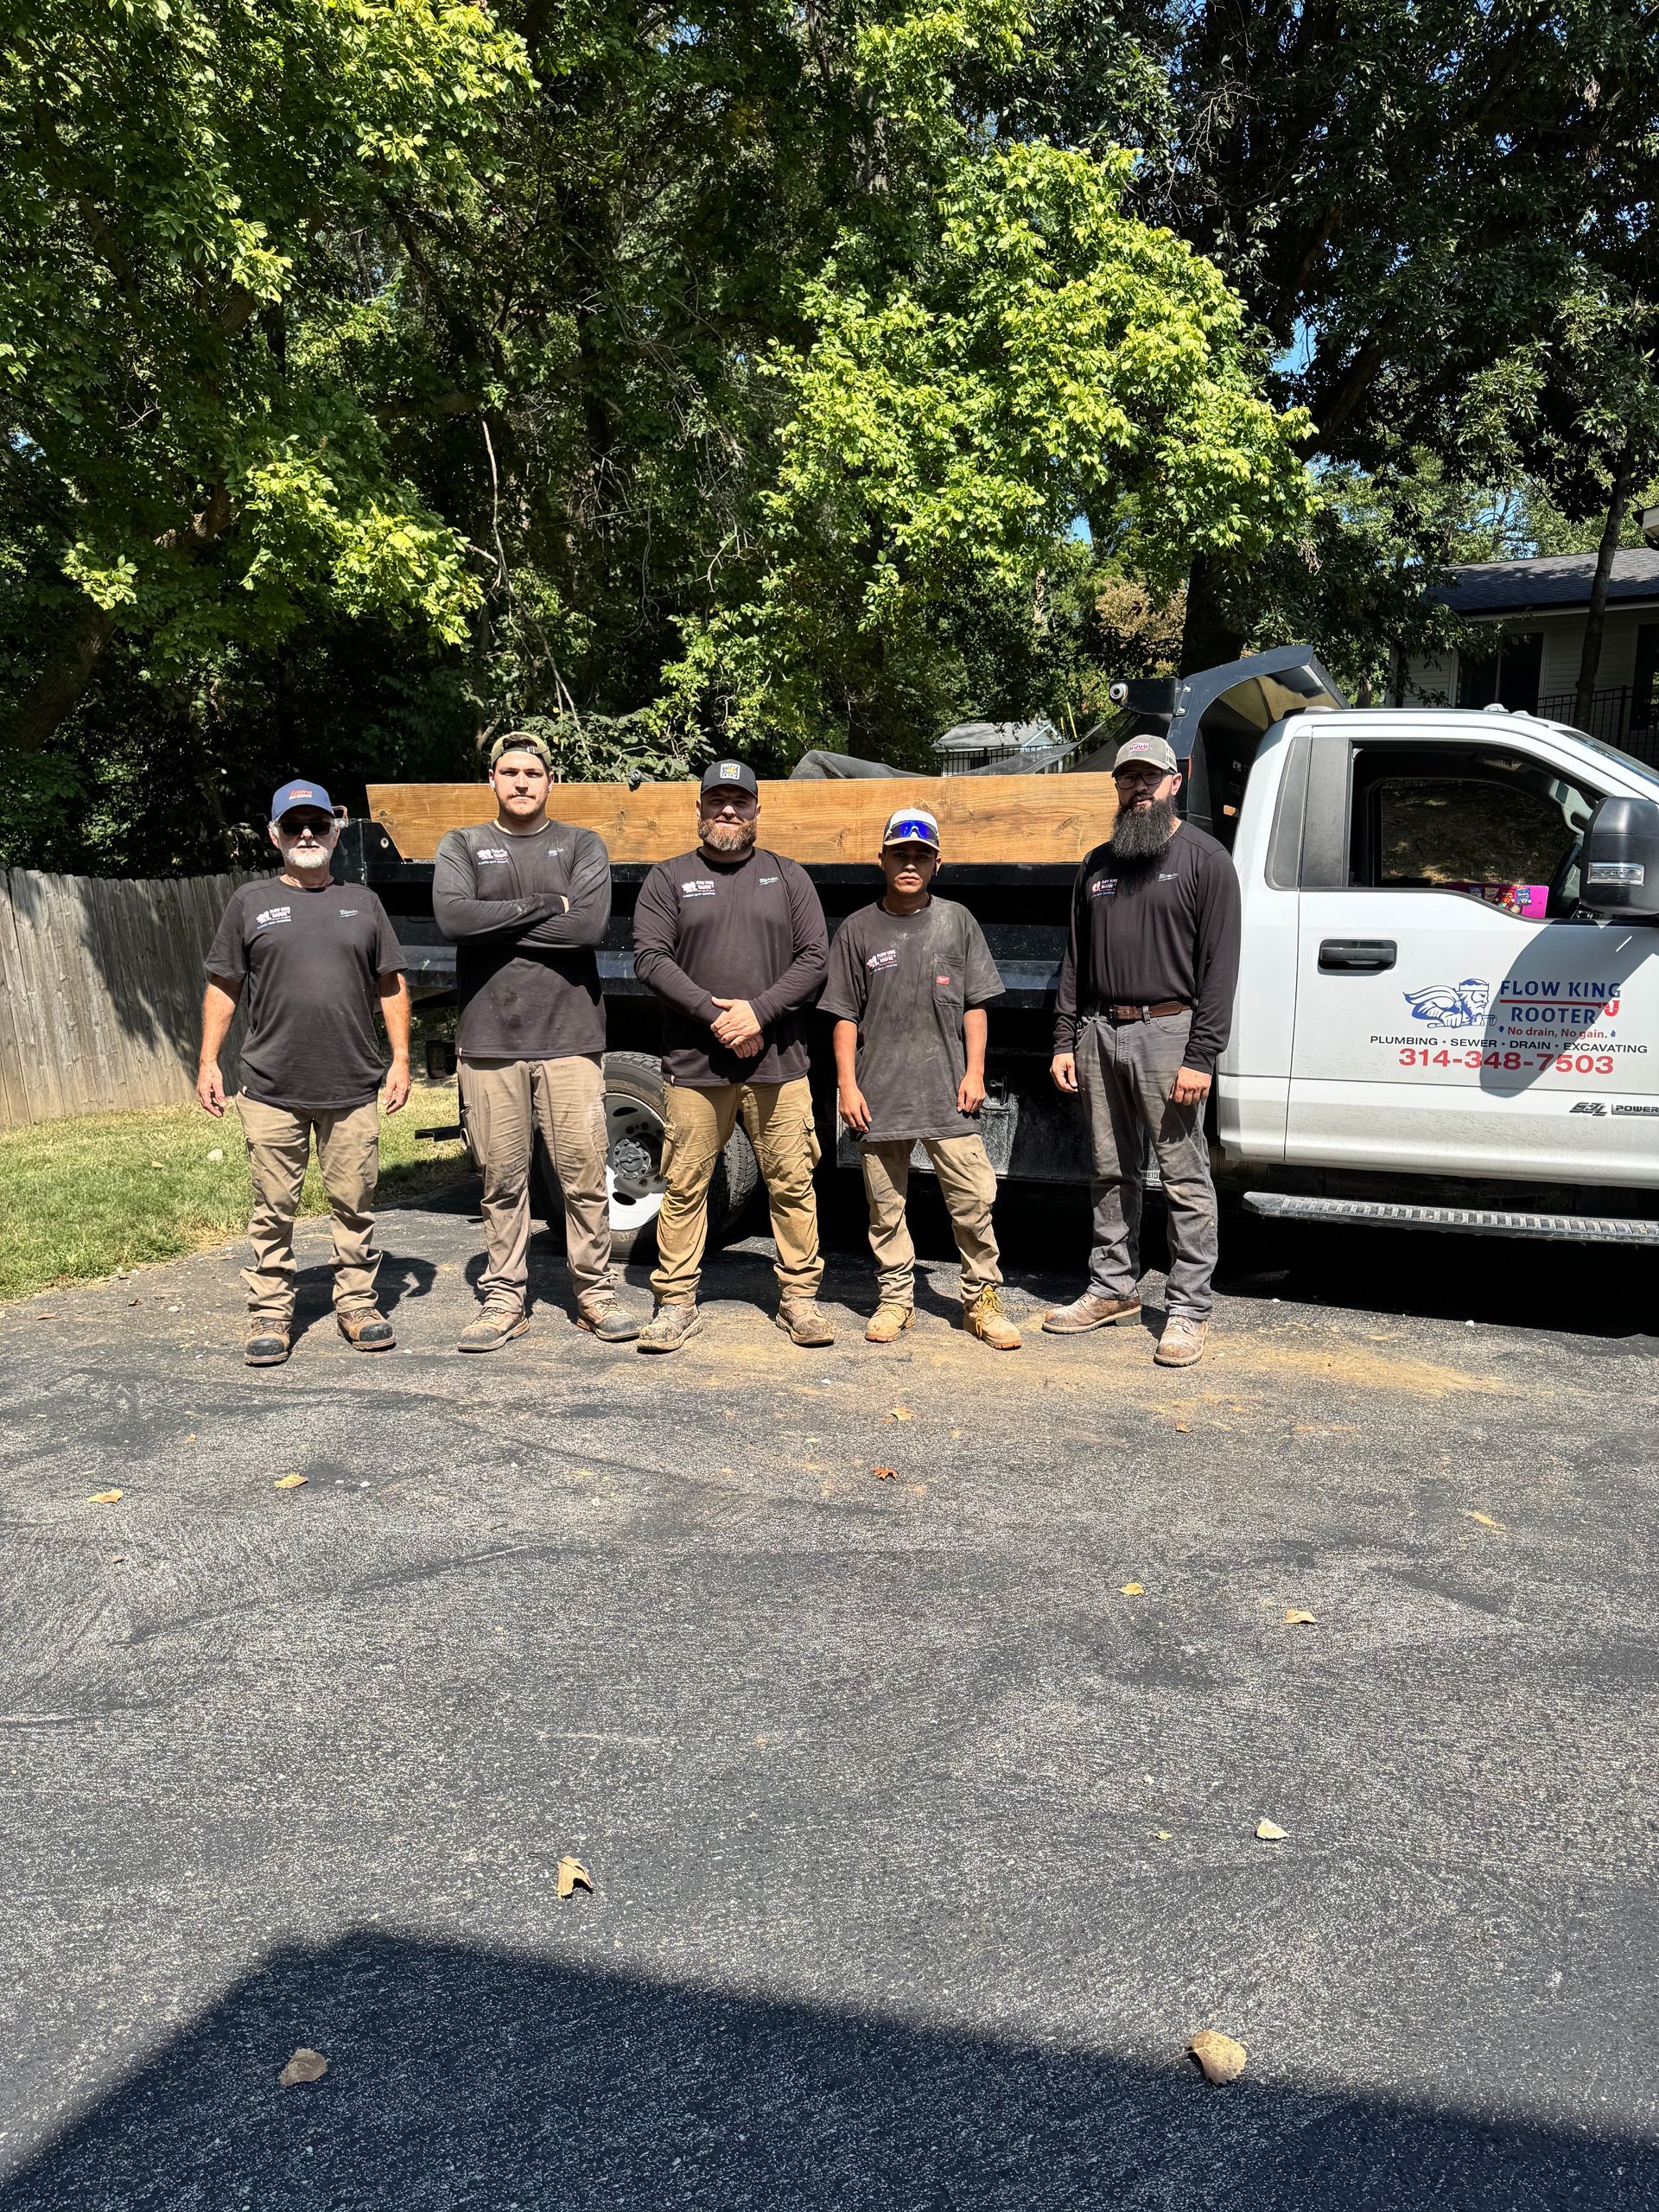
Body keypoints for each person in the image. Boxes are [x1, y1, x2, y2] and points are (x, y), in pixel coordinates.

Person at [433, 730, 638, 1350]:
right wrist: (547, 904)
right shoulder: (463, 844)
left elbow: (588, 929)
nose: (522, 781)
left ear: (551, 783)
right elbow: (453, 920)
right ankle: (504, 1299)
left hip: (571, 1037)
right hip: (490, 1040)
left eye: (533, 772)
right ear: (492, 780)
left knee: (582, 1173)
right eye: (510, 771)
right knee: (502, 1178)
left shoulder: (582, 844)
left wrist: (495, 926)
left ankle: (595, 1295)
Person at [198, 779, 410, 1367]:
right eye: (295, 827)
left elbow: (391, 984)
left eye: (318, 824)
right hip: (271, 1086)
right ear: (276, 835)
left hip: (351, 1083)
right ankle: (270, 1312)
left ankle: (359, 1304)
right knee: (273, 1208)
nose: (308, 835)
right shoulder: (250, 901)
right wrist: (208, 1060)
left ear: (336, 831)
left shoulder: (364, 903)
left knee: (354, 1203)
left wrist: (400, 1060)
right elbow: (224, 985)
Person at [1045, 732, 1241, 1366]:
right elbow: (1075, 959)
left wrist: (1202, 1055)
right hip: (1099, 1033)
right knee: (1108, 1170)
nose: (1137, 788)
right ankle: (1112, 1287)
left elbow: (1219, 969)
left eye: (1148, 778)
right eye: (1127, 778)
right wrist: (1065, 1039)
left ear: (1174, 782)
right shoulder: (1097, 865)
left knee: (1184, 1176)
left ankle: (1187, 1309)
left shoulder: (1206, 860)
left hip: (1170, 1033)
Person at [631, 760, 832, 1353]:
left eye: (739, 801)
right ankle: (675, 1304)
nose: (727, 811)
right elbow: (650, 959)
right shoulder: (667, 879)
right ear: (697, 810)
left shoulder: (788, 877)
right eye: (716, 800)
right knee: (686, 1186)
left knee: (792, 1184)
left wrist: (757, 1013)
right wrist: (717, 1017)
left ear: (756, 811)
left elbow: (815, 959)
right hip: (697, 1067)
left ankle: (799, 1302)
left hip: (779, 1065)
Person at [822, 808, 1020, 1351]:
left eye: (921, 855)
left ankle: (982, 1302)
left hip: (947, 1092)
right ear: (881, 859)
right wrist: (848, 1085)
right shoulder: (858, 930)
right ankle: (895, 1300)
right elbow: (844, 1016)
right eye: (899, 853)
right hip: (879, 1094)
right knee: (885, 1209)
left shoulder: (957, 921)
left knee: (974, 1200)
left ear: (937, 863)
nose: (909, 863)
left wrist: (975, 1072)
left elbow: (976, 1006)